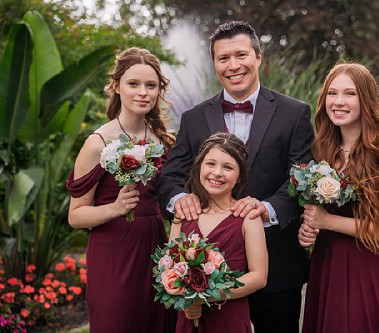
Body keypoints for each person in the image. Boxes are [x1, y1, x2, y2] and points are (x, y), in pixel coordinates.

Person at [157, 21, 314, 333]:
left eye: (240, 55)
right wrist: (180, 200)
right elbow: (169, 176)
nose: (233, 66)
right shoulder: (193, 118)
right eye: (222, 58)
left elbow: (302, 177)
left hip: (277, 262)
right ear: (214, 63)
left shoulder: (294, 112)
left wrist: (266, 209)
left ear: (258, 57)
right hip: (202, 270)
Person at [66, 47, 177, 333]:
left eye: (151, 85)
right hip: (113, 251)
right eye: (133, 84)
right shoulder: (98, 142)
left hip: (155, 245)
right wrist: (115, 208)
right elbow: (76, 216)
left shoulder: (163, 141)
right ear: (116, 86)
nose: (143, 92)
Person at [298, 62, 379, 333]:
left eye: (350, 93)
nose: (338, 101)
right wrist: (309, 230)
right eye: (332, 93)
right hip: (325, 265)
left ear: (367, 100)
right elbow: (318, 215)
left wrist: (328, 222)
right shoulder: (322, 152)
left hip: (365, 268)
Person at [170, 132, 268, 332]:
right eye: (211, 164)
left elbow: (259, 277)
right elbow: (169, 268)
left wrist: (202, 295)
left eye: (228, 167)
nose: (217, 173)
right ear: (199, 167)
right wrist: (187, 300)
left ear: (240, 176)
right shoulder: (184, 213)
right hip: (190, 317)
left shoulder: (247, 216)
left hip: (229, 317)